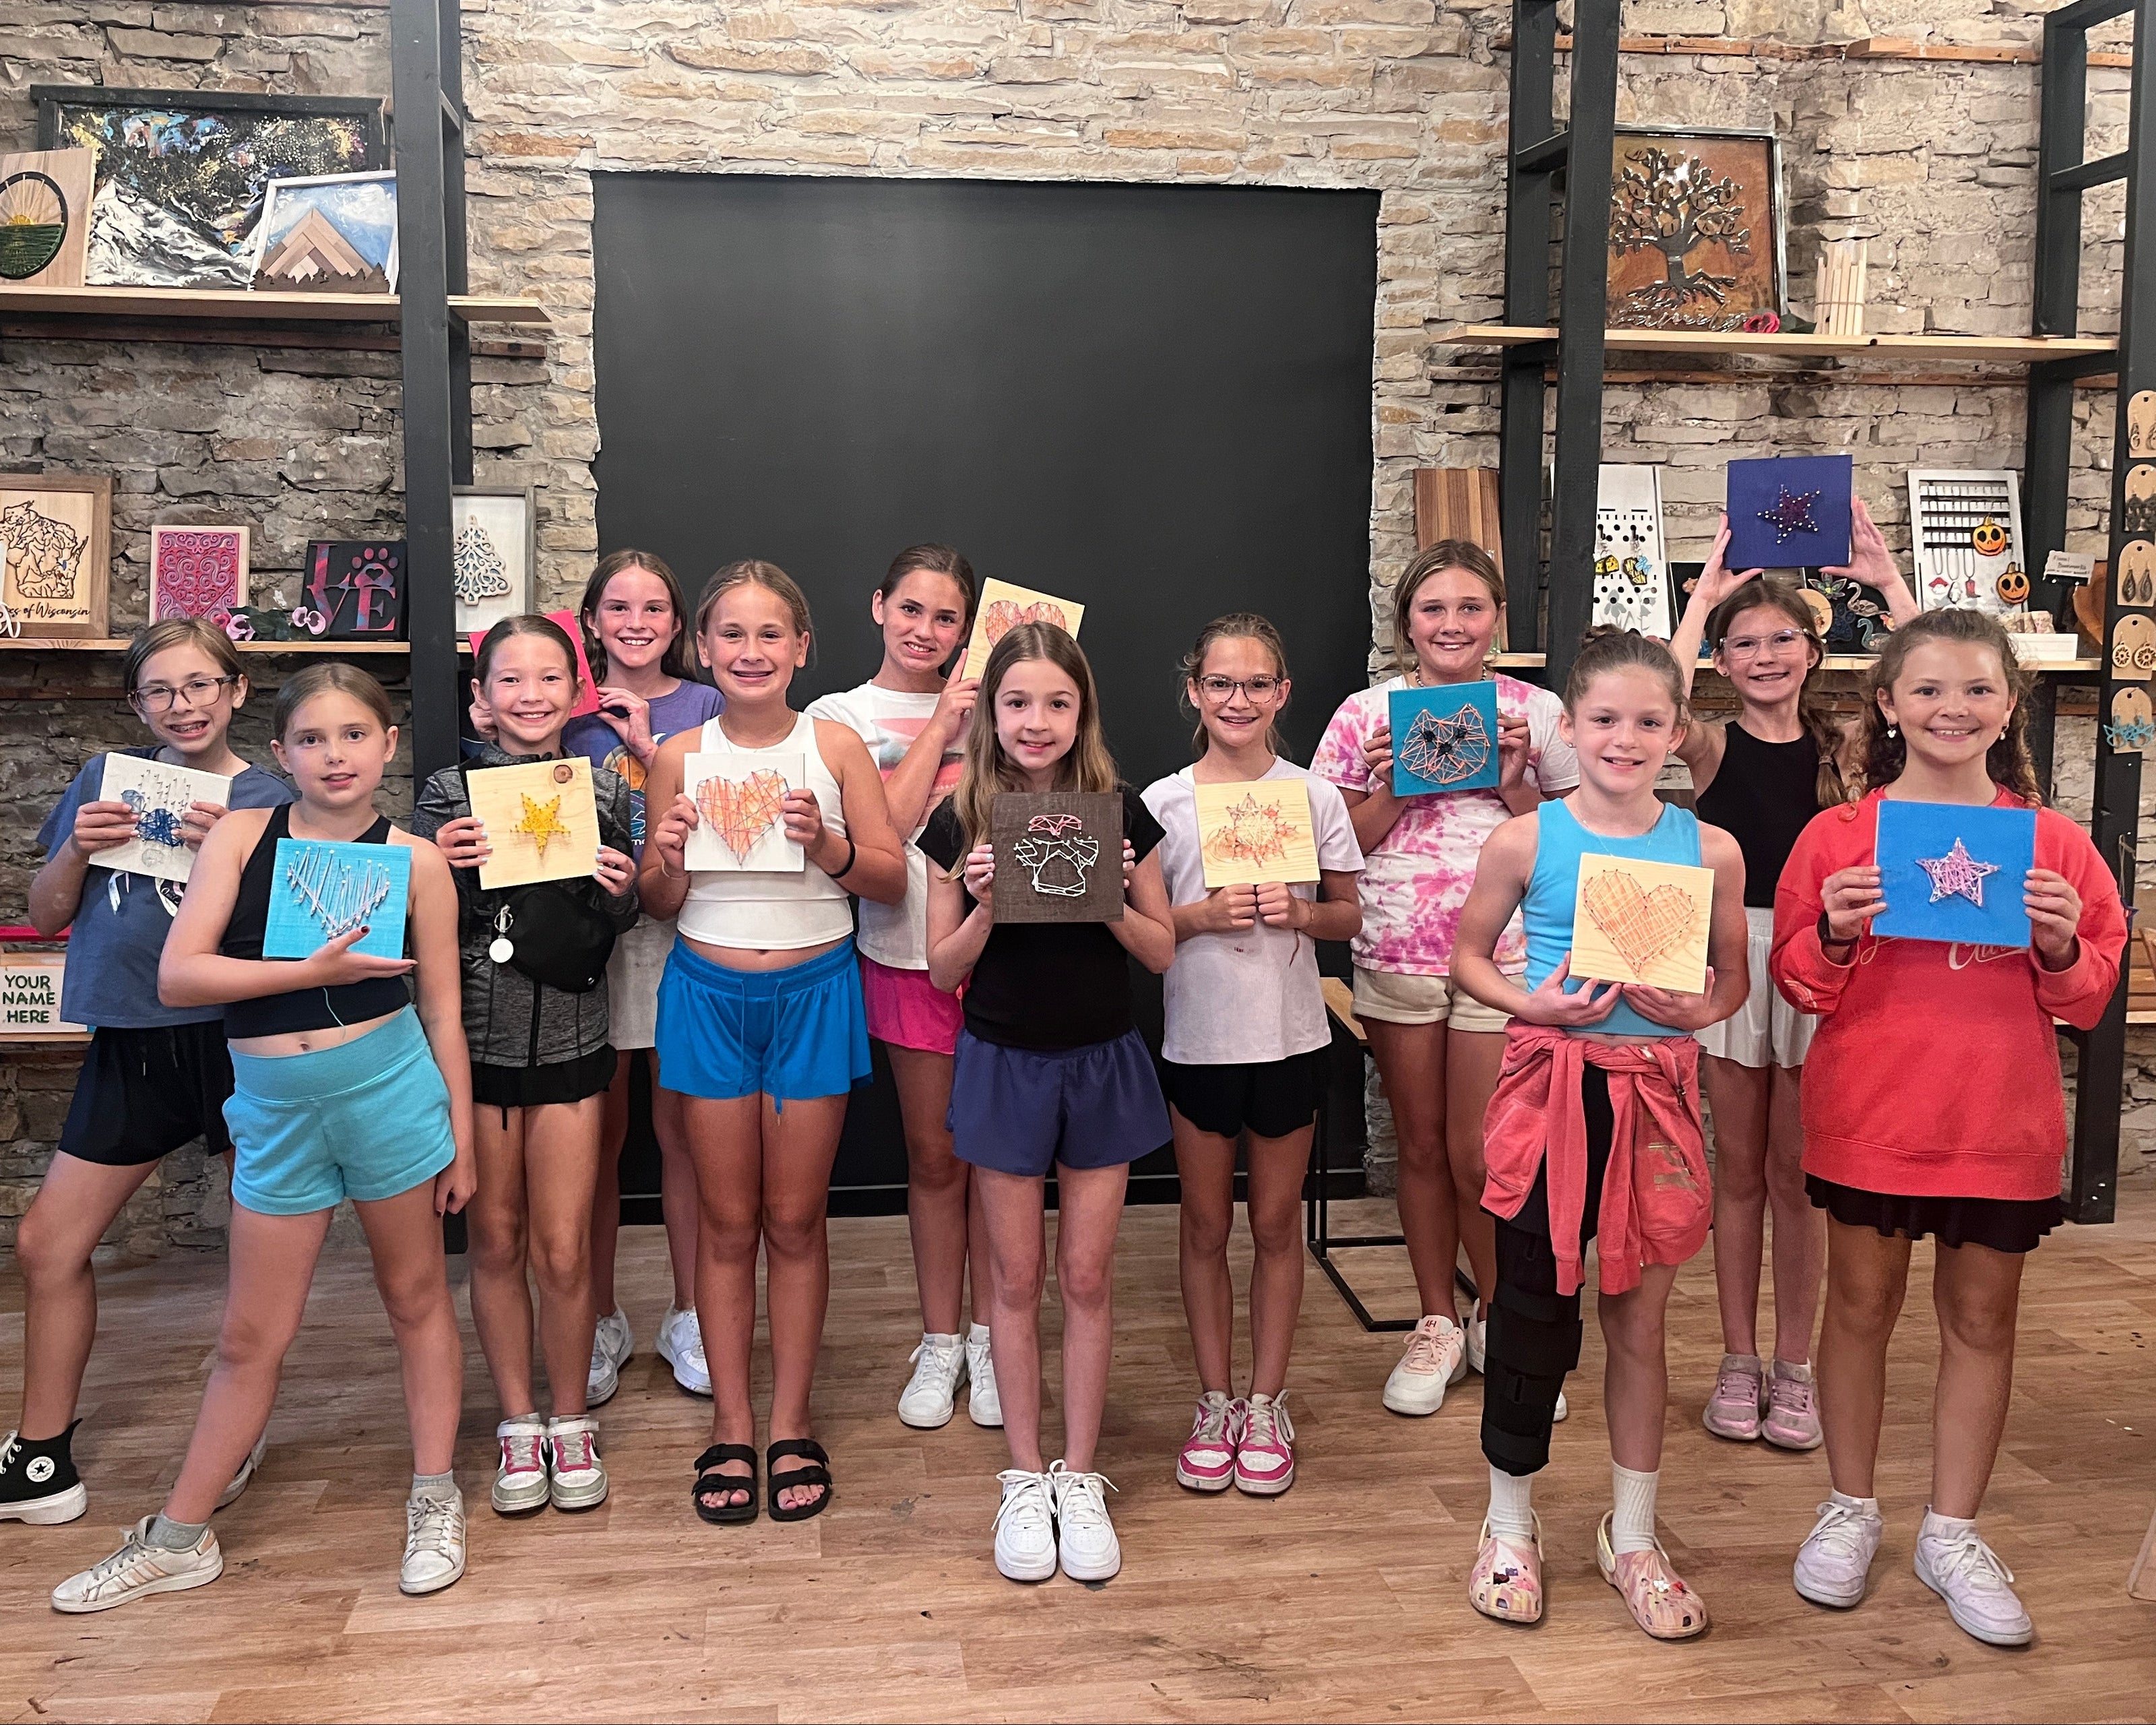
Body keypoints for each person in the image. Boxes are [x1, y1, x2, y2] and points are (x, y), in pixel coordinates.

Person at [51, 664, 475, 1609]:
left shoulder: (418, 861)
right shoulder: (244, 835)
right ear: (280, 755)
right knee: (250, 1334)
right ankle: (180, 1535)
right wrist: (306, 970)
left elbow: (444, 1012)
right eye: (314, 740)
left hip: (390, 1092)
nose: (336, 755)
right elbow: (179, 977)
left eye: (355, 735)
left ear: (388, 746)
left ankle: (436, 1494)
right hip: (277, 1106)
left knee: (416, 1301)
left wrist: (465, 1140)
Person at [1775, 606, 2124, 1648]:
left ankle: (1952, 1528)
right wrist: (1835, 932)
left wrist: (2061, 946)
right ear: (1888, 704)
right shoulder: (1838, 837)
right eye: (1927, 688)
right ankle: (1848, 1507)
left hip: (1998, 1121)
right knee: (1859, 1309)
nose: (1951, 708)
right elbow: (1796, 981)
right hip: (1869, 1113)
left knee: (1983, 1322)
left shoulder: (2054, 844)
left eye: (1976, 689)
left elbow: (2092, 1000)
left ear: (2009, 705)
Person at [1451, 628, 1747, 1639]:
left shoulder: (1708, 848)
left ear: (1676, 734)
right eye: (1606, 720)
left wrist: (1701, 1014)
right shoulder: (1527, 837)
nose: (1627, 738)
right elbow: (1467, 958)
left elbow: (1734, 979)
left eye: (1650, 722)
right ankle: (1508, 1524)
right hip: (1549, 1096)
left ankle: (1632, 1532)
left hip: (1654, 1103)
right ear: (1569, 729)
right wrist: (1534, 1005)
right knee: (1531, 1310)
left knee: (1638, 1320)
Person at [3, 621, 294, 1528]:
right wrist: (78, 847)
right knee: (48, 1244)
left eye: (202, 684)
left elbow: (293, 937)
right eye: (162, 690)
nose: (184, 704)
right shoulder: (105, 780)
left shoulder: (271, 797)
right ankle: (42, 1457)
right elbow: (46, 914)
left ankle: (234, 1433)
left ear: (236, 690)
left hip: (238, 1042)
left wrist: (239, 857)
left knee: (258, 1257)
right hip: (129, 1041)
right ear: (138, 705)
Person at [639, 561, 906, 1527]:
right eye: (731, 636)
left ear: (801, 648)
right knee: (725, 1221)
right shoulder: (677, 755)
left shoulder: (835, 748)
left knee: (795, 1221)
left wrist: (828, 844)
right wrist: (661, 859)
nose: (750, 652)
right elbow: (659, 905)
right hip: (707, 994)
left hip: (815, 988)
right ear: (703, 649)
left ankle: (790, 1418)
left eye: (770, 635)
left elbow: (888, 881)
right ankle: (731, 1420)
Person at [922, 621, 1176, 1585]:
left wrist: (1109, 896)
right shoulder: (960, 818)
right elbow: (942, 972)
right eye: (1018, 702)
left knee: (1087, 1277)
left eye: (1057, 704)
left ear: (1083, 713)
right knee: (1015, 1282)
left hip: (1102, 1060)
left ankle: (1080, 1472)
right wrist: (986, 903)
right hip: (1004, 1063)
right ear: (991, 711)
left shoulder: (1120, 811)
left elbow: (1160, 950)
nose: (1037, 721)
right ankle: (1023, 1474)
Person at [1668, 503, 1920, 1449]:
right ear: (1724, 662)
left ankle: (1796, 1364)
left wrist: (1887, 584)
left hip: (1827, 954)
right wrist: (1704, 600)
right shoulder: (1711, 745)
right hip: (1732, 947)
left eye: (1782, 638)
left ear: (1814, 651)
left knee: (1795, 1174)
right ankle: (1738, 1358)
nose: (1765, 655)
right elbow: (1655, 691)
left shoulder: (1852, 745)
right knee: (1737, 1167)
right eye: (1743, 642)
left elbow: (1933, 672)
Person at [1311, 540, 1579, 1417]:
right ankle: (1436, 1319)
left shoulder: (1537, 715)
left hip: (1504, 960)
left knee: (1481, 1151)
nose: (1452, 624)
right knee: (1419, 1146)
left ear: (1497, 617)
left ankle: (1501, 1317)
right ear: (1407, 623)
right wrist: (1391, 787)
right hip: (1396, 949)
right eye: (1433, 609)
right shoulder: (1365, 715)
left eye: (1470, 607)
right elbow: (1321, 846)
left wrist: (1512, 784)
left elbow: (1581, 843)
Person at [416, 615, 640, 1519]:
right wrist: (439, 863)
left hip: (575, 1045)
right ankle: (517, 1420)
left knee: (563, 1243)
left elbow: (615, 919)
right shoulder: (444, 791)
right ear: (481, 698)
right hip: (479, 1048)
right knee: (496, 1240)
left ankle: (572, 1414)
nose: (533, 695)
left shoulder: (605, 787)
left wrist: (625, 896)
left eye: (552, 678)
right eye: (512, 680)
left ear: (576, 692)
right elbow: (427, 914)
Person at [1142, 614, 1361, 1497]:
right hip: (1198, 1043)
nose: (1239, 699)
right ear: (1194, 691)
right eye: (1221, 684)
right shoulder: (1160, 803)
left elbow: (1349, 914)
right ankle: (1216, 1397)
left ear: (1282, 693)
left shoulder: (1313, 797)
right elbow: (1145, 932)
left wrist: (1301, 914)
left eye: (1256, 683)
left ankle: (1266, 1401)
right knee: (1204, 1226)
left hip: (1288, 1040)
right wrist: (1199, 917)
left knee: (1276, 1229)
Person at [806, 545, 1001, 1431]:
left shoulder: (1010, 704)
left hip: (1004, 958)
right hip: (902, 957)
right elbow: (877, 836)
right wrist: (942, 725)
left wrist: (982, 716)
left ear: (968, 627)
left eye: (947, 617)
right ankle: (941, 1340)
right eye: (912, 609)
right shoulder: (837, 716)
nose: (927, 630)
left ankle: (996, 1339)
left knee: (1001, 1161)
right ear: (879, 605)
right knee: (933, 1160)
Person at [564, 549, 726, 1406]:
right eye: (618, 606)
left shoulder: (707, 704)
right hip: (595, 940)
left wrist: (648, 748)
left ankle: (693, 1311)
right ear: (592, 619)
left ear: (677, 625)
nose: (635, 621)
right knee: (594, 1137)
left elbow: (736, 806)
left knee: (687, 1131)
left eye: (654, 607)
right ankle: (596, 1316)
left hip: (689, 926)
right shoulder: (563, 705)